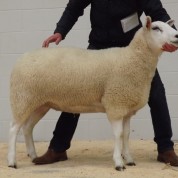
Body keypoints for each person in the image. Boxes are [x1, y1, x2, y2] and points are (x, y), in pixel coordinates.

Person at [33, 0, 178, 166]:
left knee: (157, 94)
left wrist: (173, 37)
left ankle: (165, 148)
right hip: (100, 44)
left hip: (132, 49)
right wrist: (60, 31)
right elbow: (74, 7)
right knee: (77, 92)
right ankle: (58, 149)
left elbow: (157, 11)